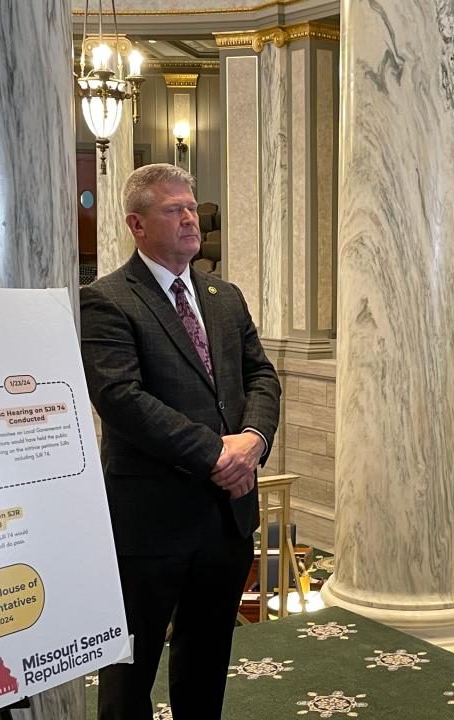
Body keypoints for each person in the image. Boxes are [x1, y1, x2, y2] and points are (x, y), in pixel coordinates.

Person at [80, 164, 280, 719]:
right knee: (130, 671)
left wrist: (253, 439)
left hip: (226, 517)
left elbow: (262, 376)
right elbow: (123, 400)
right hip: (151, 520)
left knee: (207, 658)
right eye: (173, 209)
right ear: (136, 224)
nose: (190, 217)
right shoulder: (106, 299)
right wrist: (219, 452)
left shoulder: (224, 295)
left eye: (191, 206)